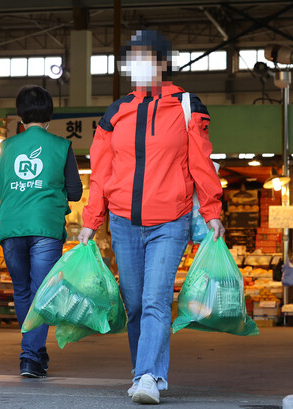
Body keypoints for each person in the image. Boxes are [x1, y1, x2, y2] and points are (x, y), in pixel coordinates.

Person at [79, 30, 225, 405]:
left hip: (170, 220)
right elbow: (101, 172)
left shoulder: (186, 105)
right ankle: (148, 372)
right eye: (132, 59)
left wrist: (212, 211)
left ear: (162, 63)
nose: (137, 67)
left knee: (156, 299)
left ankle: (146, 376)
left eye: (146, 58)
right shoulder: (116, 112)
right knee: (136, 305)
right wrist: (91, 221)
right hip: (125, 222)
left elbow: (201, 162)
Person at [0, 85, 82, 378]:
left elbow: (0, 188)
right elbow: (75, 190)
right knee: (41, 292)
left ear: (20, 115)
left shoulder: (6, 147)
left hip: (11, 225)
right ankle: (30, 356)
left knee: (22, 291)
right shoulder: (62, 146)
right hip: (46, 225)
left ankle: (35, 350)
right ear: (49, 115)